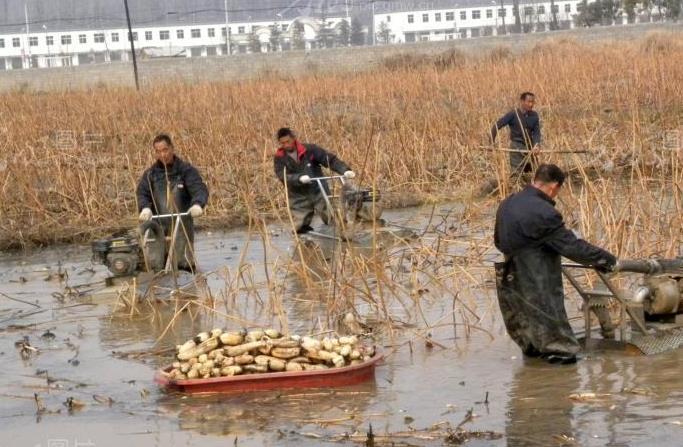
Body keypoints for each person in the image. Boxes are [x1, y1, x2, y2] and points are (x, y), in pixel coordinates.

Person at [493, 164, 617, 364]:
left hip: (510, 273)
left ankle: (535, 373)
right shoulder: (544, 212)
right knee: (553, 330)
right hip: (538, 274)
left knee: (525, 321)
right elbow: (572, 247)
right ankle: (562, 376)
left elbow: (499, 241)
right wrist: (606, 259)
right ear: (554, 187)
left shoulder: (507, 204)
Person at [136, 134, 209, 272]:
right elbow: (142, 194)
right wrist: (145, 207)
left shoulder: (186, 171)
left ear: (172, 149)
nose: (162, 154)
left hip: (181, 224)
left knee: (184, 264)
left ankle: (187, 289)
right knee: (155, 265)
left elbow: (198, 188)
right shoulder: (150, 175)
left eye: (165, 150)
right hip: (157, 225)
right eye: (158, 151)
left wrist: (198, 204)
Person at [273, 127, 355, 234]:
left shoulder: (310, 150)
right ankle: (302, 239)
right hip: (298, 193)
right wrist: (298, 178)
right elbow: (282, 175)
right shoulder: (280, 157)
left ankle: (342, 233)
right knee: (299, 225)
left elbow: (329, 160)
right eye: (282, 143)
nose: (286, 145)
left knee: (331, 216)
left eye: (288, 141)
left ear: (293, 138)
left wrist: (345, 170)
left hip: (317, 189)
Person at [490, 92, 542, 175]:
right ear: (522, 101)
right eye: (529, 102)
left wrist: (536, 145)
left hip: (529, 147)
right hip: (516, 147)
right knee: (516, 174)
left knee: (535, 172)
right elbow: (496, 126)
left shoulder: (534, 116)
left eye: (533, 102)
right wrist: (491, 143)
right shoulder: (513, 114)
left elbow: (536, 133)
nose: (531, 104)